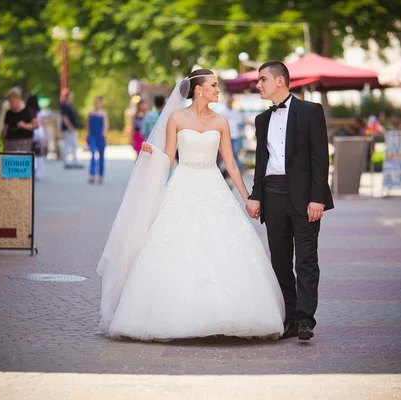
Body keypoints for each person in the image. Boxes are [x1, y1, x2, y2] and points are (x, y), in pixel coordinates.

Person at [97, 69, 284, 341]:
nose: (218, 90)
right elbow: (170, 157)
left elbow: (230, 163)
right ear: (198, 89)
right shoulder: (176, 118)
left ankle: (225, 315)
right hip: (183, 185)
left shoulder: (220, 121)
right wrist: (154, 153)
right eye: (214, 85)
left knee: (222, 247)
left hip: (213, 185)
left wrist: (247, 198)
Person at [245, 61, 334, 341]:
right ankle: (291, 318)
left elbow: (321, 159)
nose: (258, 85)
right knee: (280, 262)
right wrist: (256, 195)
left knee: (306, 261)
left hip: (305, 198)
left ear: (280, 81)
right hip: (272, 196)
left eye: (263, 80)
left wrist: (317, 198)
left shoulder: (310, 111)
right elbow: (261, 163)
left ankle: (306, 320)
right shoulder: (262, 120)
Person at [87, 96, 108, 184]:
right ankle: (92, 174)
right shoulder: (91, 112)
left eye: (99, 102)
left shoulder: (103, 113)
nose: (97, 104)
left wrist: (104, 132)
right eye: (96, 102)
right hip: (92, 135)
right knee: (92, 153)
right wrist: (87, 135)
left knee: (101, 156)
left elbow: (106, 124)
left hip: (100, 135)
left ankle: (100, 175)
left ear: (101, 103)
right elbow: (88, 124)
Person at [218, 95, 243, 170]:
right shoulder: (223, 111)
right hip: (226, 136)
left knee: (235, 153)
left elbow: (240, 122)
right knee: (226, 154)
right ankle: (227, 171)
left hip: (235, 135)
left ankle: (238, 169)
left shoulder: (236, 111)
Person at [27, 95, 47, 180]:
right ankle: (39, 172)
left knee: (31, 151)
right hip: (40, 132)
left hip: (31, 131)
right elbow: (44, 123)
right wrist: (46, 135)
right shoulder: (40, 111)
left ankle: (33, 170)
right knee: (39, 152)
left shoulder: (27, 111)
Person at [60, 89, 82, 168]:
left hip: (72, 129)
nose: (72, 98)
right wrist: (70, 127)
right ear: (67, 97)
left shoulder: (69, 106)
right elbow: (64, 117)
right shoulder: (65, 106)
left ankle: (74, 160)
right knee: (68, 145)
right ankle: (67, 161)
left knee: (74, 145)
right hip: (68, 129)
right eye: (71, 96)